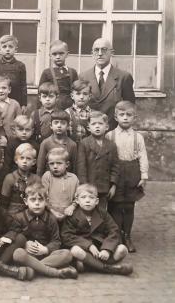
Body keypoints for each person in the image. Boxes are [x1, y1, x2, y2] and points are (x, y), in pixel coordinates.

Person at [61, 184, 133, 276]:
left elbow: (114, 230)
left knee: (122, 249)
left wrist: (107, 249)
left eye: (91, 198)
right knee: (75, 250)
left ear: (96, 201)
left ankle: (92, 265)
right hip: (84, 249)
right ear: (77, 200)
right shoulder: (72, 215)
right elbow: (67, 236)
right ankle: (108, 268)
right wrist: (89, 246)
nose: (87, 200)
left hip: (101, 248)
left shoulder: (102, 213)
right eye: (83, 197)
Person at [106, 101, 148, 253]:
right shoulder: (109, 135)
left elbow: (143, 156)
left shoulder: (138, 137)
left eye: (129, 115)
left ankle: (127, 236)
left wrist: (144, 175)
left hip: (132, 173)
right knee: (116, 205)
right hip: (116, 172)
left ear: (134, 117)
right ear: (115, 117)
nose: (125, 118)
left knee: (129, 206)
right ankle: (116, 236)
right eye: (122, 115)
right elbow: (107, 158)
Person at [12, 183, 78, 279]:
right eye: (33, 200)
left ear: (46, 201)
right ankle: (55, 273)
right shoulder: (19, 217)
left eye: (40, 199)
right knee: (18, 253)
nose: (37, 203)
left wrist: (46, 249)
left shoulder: (51, 219)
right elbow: (14, 237)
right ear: (26, 201)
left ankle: (33, 269)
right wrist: (25, 244)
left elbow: (56, 241)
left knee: (67, 254)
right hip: (28, 255)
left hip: (46, 256)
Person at [80, 37, 135, 129]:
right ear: (92, 53)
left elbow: (129, 107)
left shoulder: (124, 77)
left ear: (112, 53)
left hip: (113, 130)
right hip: (89, 131)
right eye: (96, 50)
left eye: (104, 50)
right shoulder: (83, 77)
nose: (100, 54)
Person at [77, 110, 119, 212]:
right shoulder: (84, 143)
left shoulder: (111, 145)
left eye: (100, 124)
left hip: (104, 187)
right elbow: (81, 167)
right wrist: (84, 185)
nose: (97, 126)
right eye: (94, 124)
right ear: (88, 127)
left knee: (101, 212)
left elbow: (115, 166)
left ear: (107, 127)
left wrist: (113, 185)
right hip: (89, 186)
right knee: (87, 211)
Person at [1, 143, 40, 215]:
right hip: (13, 213)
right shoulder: (10, 178)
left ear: (34, 162)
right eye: (22, 158)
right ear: (16, 160)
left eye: (28, 158)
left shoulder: (36, 179)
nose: (24, 161)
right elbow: (4, 203)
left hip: (31, 211)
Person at [41, 148, 79, 222]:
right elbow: (43, 197)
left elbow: (78, 196)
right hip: (50, 213)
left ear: (67, 164)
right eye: (51, 163)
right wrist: (52, 211)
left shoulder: (73, 178)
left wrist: (72, 207)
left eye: (59, 163)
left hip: (69, 213)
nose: (55, 166)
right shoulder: (47, 176)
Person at [39, 40, 78, 110]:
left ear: (67, 54)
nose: (58, 57)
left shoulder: (73, 72)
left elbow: (77, 91)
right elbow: (40, 92)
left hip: (70, 107)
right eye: (54, 54)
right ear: (50, 56)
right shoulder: (46, 72)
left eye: (61, 53)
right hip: (53, 107)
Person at [36, 110, 77, 176]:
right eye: (56, 123)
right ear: (51, 126)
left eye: (63, 123)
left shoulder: (72, 145)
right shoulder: (45, 143)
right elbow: (40, 168)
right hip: (49, 180)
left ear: (68, 126)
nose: (59, 126)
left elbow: (74, 168)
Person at [0, 35, 28, 107]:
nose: (7, 49)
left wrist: (24, 104)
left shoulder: (20, 65)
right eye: (4, 47)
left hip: (16, 99)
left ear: (15, 49)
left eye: (10, 47)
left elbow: (23, 86)